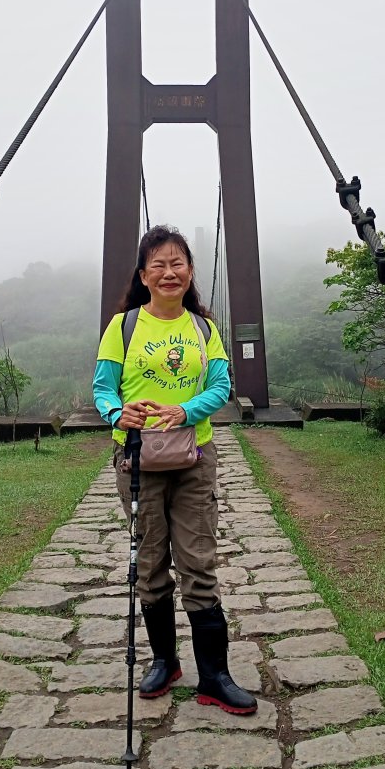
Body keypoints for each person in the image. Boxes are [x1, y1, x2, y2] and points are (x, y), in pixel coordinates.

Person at [93, 224, 257, 715]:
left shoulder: (203, 329)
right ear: (143, 275)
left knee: (198, 563)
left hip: (193, 460)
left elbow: (221, 387)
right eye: (158, 265)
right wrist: (117, 413)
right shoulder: (123, 327)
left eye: (177, 263)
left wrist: (184, 411)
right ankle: (165, 662)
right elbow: (103, 388)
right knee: (149, 563)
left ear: (189, 271)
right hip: (137, 460)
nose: (169, 272)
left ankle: (215, 676)